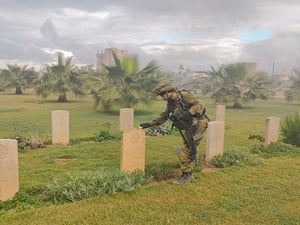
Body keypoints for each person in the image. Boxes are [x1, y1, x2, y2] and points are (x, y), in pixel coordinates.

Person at [139, 81, 209, 184]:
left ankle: (186, 175)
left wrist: (189, 113)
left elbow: (199, 105)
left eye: (162, 95)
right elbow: (165, 115)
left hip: (199, 125)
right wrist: (149, 124)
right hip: (190, 127)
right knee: (190, 147)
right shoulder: (171, 103)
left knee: (186, 149)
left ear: (168, 92)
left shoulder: (184, 95)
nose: (162, 98)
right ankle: (192, 159)